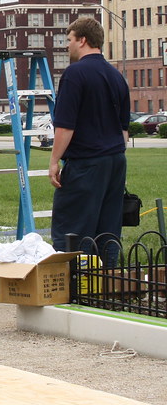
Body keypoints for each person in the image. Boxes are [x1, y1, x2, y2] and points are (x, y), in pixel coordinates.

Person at [48, 17, 130, 265]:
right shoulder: (117, 76)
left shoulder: (75, 74)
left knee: (73, 227)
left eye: (70, 40)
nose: (68, 46)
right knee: (108, 228)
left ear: (82, 40)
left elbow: (65, 126)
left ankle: (76, 284)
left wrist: (54, 161)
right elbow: (124, 130)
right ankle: (107, 284)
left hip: (86, 162)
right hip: (115, 160)